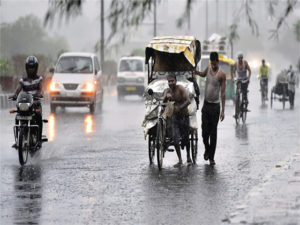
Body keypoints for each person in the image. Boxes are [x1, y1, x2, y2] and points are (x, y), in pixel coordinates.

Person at [195, 52, 226, 165]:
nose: (212, 66)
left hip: (215, 107)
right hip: (206, 105)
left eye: (214, 64)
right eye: (211, 63)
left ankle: (211, 157)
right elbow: (203, 74)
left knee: (213, 133)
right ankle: (207, 149)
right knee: (204, 132)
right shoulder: (208, 68)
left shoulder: (222, 75)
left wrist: (223, 111)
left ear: (218, 61)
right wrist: (195, 71)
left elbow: (223, 94)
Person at [9, 56, 44, 146]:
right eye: (29, 67)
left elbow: (41, 89)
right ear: (26, 68)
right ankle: (17, 140)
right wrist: (15, 95)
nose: (31, 69)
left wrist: (39, 94)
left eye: (32, 67)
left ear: (36, 68)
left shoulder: (39, 79)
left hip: (35, 104)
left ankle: (39, 139)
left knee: (39, 116)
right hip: (25, 104)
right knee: (17, 116)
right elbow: (18, 89)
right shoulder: (23, 80)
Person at [163, 74, 191, 167]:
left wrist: (180, 107)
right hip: (174, 118)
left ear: (176, 81)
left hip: (184, 116)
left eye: (172, 81)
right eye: (169, 81)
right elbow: (163, 101)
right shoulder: (167, 90)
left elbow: (188, 101)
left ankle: (188, 156)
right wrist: (166, 96)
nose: (171, 83)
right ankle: (180, 160)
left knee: (186, 139)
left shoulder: (180, 89)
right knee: (175, 139)